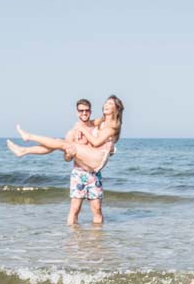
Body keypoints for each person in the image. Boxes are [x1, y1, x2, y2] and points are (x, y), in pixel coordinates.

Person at [7, 95, 124, 225]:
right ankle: (24, 149)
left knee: (97, 209)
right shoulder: (96, 123)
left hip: (95, 167)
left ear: (116, 108)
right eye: (106, 103)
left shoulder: (111, 126)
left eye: (110, 104)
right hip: (80, 171)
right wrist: (69, 154)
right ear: (77, 112)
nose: (106, 105)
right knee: (60, 143)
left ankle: (27, 140)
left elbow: (97, 142)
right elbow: (66, 158)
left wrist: (83, 130)